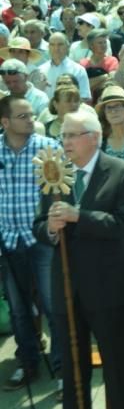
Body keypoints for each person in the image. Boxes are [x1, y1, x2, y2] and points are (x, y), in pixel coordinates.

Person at [35, 111, 124, 409]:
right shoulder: (53, 173)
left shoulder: (121, 171)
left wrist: (78, 217)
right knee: (71, 360)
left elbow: (122, 223)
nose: (64, 142)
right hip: (66, 283)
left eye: (71, 135)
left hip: (109, 284)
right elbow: (40, 225)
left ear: (94, 137)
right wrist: (51, 228)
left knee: (117, 360)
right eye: (62, 135)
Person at [0, 96, 62, 392]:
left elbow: (61, 192)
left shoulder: (47, 148)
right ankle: (28, 362)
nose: (30, 119)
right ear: (5, 122)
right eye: (22, 115)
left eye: (31, 114)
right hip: (8, 240)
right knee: (19, 309)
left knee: (52, 306)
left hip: (41, 239)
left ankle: (63, 369)